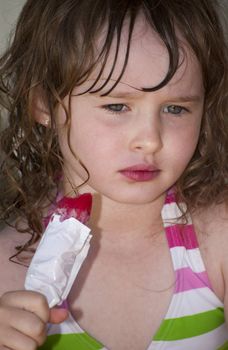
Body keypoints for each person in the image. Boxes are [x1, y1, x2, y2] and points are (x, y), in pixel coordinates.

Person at [0, 0, 228, 349]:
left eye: (175, 108)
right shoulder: (10, 269)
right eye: (117, 106)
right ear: (44, 104)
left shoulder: (217, 239)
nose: (150, 139)